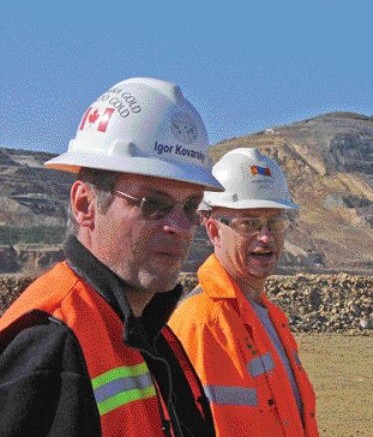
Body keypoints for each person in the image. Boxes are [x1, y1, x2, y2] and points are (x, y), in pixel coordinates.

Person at [0, 77, 222, 437]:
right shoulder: (50, 346)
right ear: (85, 205)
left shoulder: (153, 334)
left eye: (190, 206)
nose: (179, 226)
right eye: (154, 205)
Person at [169, 147, 320, 437]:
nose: (265, 237)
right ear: (213, 231)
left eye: (274, 222)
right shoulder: (200, 323)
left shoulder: (271, 318)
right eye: (248, 223)